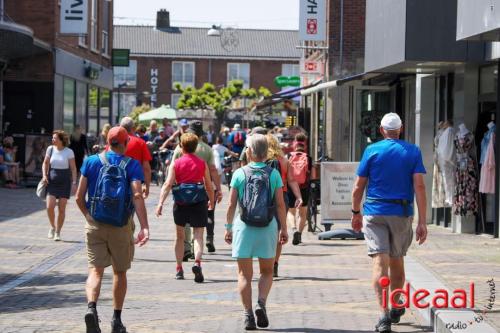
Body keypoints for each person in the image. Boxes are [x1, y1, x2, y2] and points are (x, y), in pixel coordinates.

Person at [351, 113, 428, 333]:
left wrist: (355, 212)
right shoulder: (412, 151)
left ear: (382, 130)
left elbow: (358, 187)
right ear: (400, 129)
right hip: (401, 212)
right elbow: (420, 187)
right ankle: (396, 303)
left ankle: (384, 315)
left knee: (379, 263)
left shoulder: (371, 151)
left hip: (375, 212)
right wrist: (422, 221)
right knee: (396, 261)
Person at [76, 126, 150, 333]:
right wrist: (144, 226)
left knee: (95, 270)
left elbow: (78, 197)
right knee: (120, 272)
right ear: (126, 143)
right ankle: (116, 321)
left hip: (95, 223)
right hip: (120, 225)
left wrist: (88, 216)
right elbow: (137, 195)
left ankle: (91, 308)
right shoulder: (132, 165)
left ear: (107, 141)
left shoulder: (91, 161)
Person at [225, 134, 288, 330]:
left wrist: (228, 228)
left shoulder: (239, 173)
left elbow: (231, 204)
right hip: (267, 227)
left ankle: (248, 315)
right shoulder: (274, 174)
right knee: (267, 271)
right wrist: (284, 228)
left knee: (244, 274)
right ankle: (261, 302)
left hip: (244, 227)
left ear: (249, 151)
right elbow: (279, 204)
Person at [156, 133, 215, 282]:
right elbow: (208, 185)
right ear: (195, 147)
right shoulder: (202, 163)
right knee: (198, 236)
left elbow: (168, 184)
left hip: (181, 203)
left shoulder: (176, 163)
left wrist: (160, 203)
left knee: (180, 236)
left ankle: (179, 269)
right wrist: (212, 201)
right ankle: (197, 262)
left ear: (181, 146)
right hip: (199, 202)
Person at [170, 121, 222, 255]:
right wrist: (218, 188)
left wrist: (171, 185)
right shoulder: (207, 149)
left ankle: (186, 247)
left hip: (181, 189)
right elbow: (213, 170)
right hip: (201, 189)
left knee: (184, 221)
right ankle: (196, 248)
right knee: (198, 221)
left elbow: (172, 167)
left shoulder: (180, 148)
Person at [265, 134, 302, 277]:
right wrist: (298, 197)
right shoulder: (285, 160)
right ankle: (275, 263)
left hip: (264, 198)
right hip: (282, 197)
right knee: (279, 230)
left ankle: (266, 261)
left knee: (265, 229)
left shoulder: (261, 160)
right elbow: (292, 180)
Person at [42, 130, 77, 241]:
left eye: (55, 138)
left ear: (61, 140)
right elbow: (45, 163)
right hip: (51, 182)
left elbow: (73, 168)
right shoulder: (50, 149)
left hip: (64, 182)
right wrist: (44, 175)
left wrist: (74, 182)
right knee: (49, 207)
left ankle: (58, 232)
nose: (52, 140)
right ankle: (52, 227)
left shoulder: (69, 152)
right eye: (52, 138)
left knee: (62, 209)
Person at [287, 136, 312, 245]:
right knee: (303, 213)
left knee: (291, 211)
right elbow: (310, 173)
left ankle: (293, 229)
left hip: (291, 186)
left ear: (294, 145)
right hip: (304, 187)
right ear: (304, 145)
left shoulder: (289, 156)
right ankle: (299, 234)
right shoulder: (308, 158)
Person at [120, 117, 152, 198]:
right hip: (134, 184)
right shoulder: (140, 143)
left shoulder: (113, 142)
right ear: (133, 128)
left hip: (115, 183)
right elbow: (146, 168)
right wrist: (147, 186)